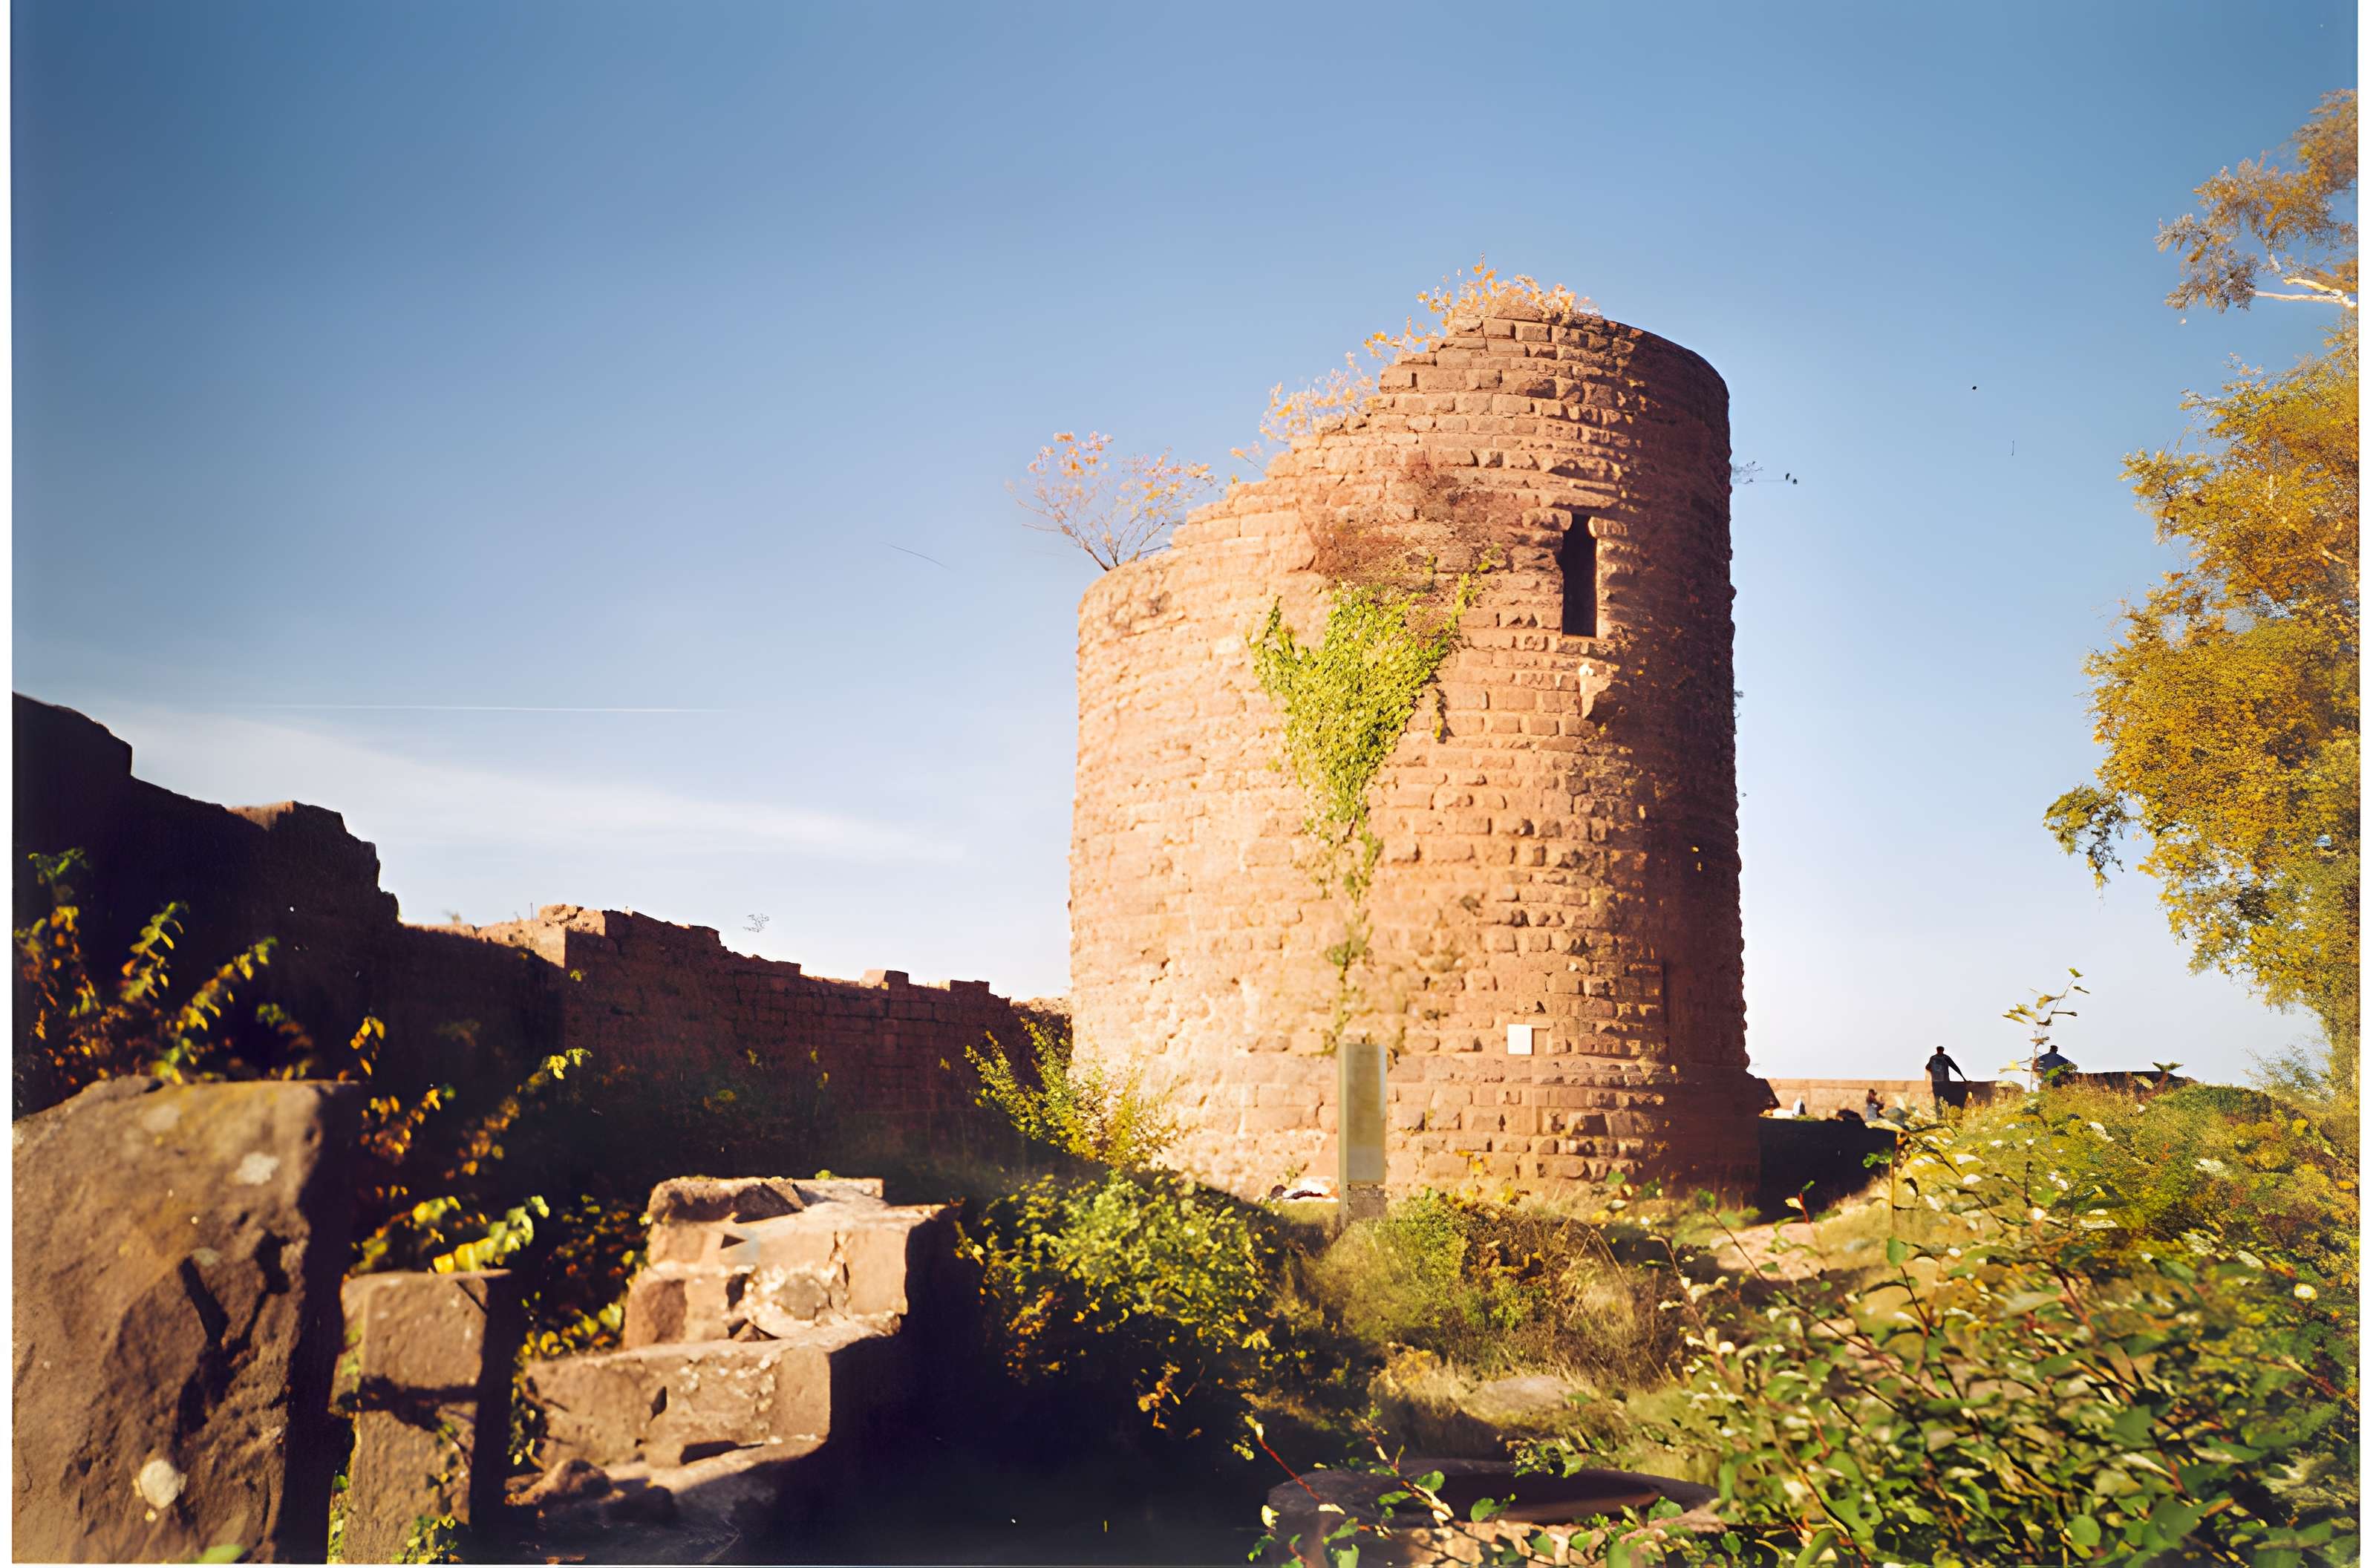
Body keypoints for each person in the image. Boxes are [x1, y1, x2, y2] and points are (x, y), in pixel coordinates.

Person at [1925, 1046, 1967, 1111]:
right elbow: (1927, 1067)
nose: (1940, 1052)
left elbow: (1954, 1067)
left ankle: (1941, 1111)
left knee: (1941, 1098)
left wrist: (1962, 1077)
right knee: (1941, 1098)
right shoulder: (1942, 1058)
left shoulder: (1936, 1058)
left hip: (1939, 1082)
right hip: (1940, 1082)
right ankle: (1941, 1111)